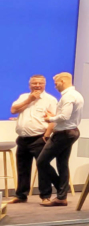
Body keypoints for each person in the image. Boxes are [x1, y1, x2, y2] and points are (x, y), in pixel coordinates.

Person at [36, 73, 83, 206]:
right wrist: (55, 116)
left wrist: (50, 119)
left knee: (41, 162)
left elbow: (64, 117)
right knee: (62, 164)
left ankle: (61, 190)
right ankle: (62, 196)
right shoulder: (76, 95)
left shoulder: (68, 97)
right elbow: (67, 116)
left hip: (63, 133)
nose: (55, 86)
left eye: (56, 83)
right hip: (71, 131)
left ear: (62, 81)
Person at [7, 76, 54, 206]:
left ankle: (45, 196)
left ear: (45, 84)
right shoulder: (23, 97)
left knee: (43, 167)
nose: (37, 85)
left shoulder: (50, 100)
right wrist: (30, 100)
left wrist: (47, 135)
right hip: (22, 139)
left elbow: (54, 119)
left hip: (39, 138)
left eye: (40, 83)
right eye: (34, 83)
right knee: (22, 168)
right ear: (29, 85)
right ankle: (21, 195)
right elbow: (13, 110)